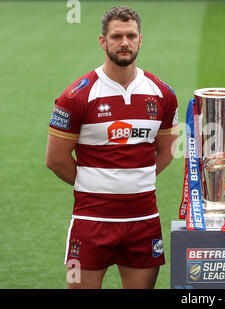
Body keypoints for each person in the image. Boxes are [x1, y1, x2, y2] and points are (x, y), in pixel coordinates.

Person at [46, 6, 178, 289]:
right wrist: (96, 185)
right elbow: (55, 159)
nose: (124, 43)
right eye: (116, 36)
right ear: (103, 41)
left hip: (144, 221)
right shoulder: (76, 96)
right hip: (90, 222)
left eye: (131, 36)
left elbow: (167, 151)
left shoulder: (163, 94)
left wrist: (135, 181)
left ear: (140, 40)